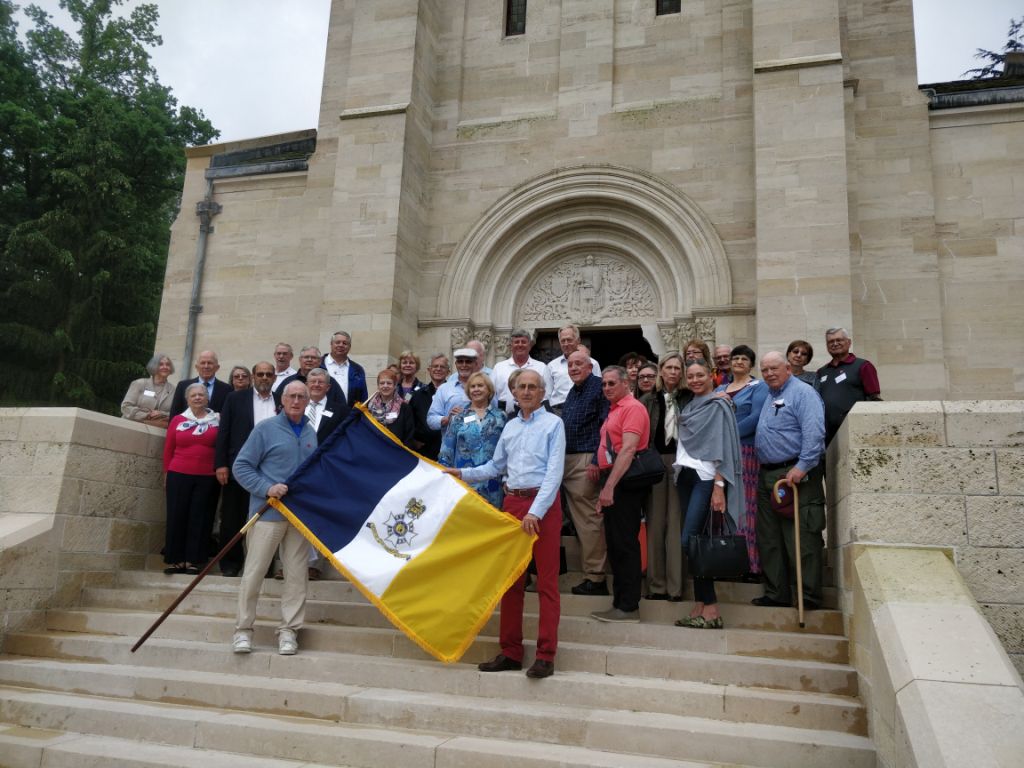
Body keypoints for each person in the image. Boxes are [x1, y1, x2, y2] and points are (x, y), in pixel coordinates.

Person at [446, 370, 565, 678]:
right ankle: (510, 651)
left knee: (547, 584)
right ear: (513, 392)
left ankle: (545, 655)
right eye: (521, 387)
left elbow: (554, 473)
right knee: (511, 582)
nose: (526, 392)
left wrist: (535, 512)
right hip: (512, 503)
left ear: (541, 392)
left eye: (532, 387)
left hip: (544, 506)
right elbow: (495, 466)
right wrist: (462, 473)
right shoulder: (510, 427)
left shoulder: (554, 424)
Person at [231, 381, 318, 656]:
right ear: (282, 400)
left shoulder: (310, 432)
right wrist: (266, 488)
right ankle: (243, 630)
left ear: (307, 401)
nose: (296, 401)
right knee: (255, 572)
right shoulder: (265, 429)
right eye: (291, 396)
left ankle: (289, 631)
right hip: (267, 512)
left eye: (301, 397)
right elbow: (241, 466)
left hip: (298, 515)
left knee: (296, 575)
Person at [673, 357, 744, 629]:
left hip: (706, 479)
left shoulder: (719, 404)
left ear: (710, 376)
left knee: (689, 541)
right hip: (686, 477)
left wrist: (719, 486)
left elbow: (724, 447)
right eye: (690, 376)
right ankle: (702, 606)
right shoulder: (689, 405)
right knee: (696, 542)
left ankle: (711, 607)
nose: (694, 380)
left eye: (700, 375)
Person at [754, 352, 826, 610]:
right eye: (764, 370)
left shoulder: (802, 393)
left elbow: (815, 431)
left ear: (787, 367)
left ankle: (808, 596)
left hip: (795, 473)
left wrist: (802, 466)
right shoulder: (770, 395)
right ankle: (776, 593)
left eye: (774, 368)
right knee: (769, 537)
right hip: (768, 474)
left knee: (801, 538)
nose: (769, 373)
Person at [591, 365, 651, 624]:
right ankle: (620, 603)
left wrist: (609, 487)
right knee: (615, 543)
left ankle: (628, 606)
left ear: (626, 383)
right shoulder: (615, 409)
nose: (606, 388)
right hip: (613, 479)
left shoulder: (633, 408)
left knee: (625, 543)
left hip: (624, 481)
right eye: (603, 384)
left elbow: (627, 450)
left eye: (611, 383)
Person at [214, 361, 278, 577]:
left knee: (265, 522)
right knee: (232, 518)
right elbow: (224, 433)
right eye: (260, 374)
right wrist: (221, 464)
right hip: (239, 469)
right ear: (253, 376)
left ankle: (264, 567)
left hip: (269, 473)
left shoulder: (281, 401)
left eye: (269, 374)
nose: (264, 377)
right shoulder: (235, 398)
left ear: (274, 377)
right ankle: (231, 563)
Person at [639, 352, 693, 602]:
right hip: (655, 463)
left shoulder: (691, 398)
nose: (673, 372)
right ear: (660, 370)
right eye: (668, 367)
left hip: (683, 461)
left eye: (677, 368)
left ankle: (675, 587)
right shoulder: (648, 399)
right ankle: (656, 585)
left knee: (676, 523)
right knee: (655, 523)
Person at [714, 345, 768, 579]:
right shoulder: (720, 388)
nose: (738, 361)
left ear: (751, 363)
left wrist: (729, 435)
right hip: (720, 454)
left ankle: (752, 565)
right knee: (723, 507)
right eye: (735, 357)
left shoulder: (758, 386)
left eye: (743, 358)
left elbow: (756, 417)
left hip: (745, 451)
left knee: (746, 507)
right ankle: (728, 562)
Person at [560, 348, 610, 596]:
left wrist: (595, 460)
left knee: (589, 519)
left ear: (590, 367)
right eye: (570, 365)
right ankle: (590, 572)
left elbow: (606, 426)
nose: (574, 369)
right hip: (567, 461)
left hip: (585, 461)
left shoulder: (599, 387)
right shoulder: (573, 391)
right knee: (578, 520)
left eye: (579, 364)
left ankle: (596, 577)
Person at [163, 383, 220, 575]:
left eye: (201, 395)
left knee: (201, 518)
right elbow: (168, 449)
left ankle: (194, 560)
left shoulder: (217, 420)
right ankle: (175, 559)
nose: (197, 398)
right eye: (193, 395)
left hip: (207, 477)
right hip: (178, 474)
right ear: (187, 399)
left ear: (207, 398)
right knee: (177, 516)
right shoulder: (178, 420)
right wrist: (166, 474)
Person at [439, 372, 506, 507]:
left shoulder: (501, 417)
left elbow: (508, 451)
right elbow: (446, 452)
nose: (476, 389)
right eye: (473, 386)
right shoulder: (458, 417)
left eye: (480, 386)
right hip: (464, 484)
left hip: (492, 484)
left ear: (489, 390)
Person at [815, 327, 882, 445]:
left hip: (854, 433)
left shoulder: (864, 366)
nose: (835, 344)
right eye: (830, 342)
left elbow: (874, 400)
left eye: (839, 340)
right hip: (827, 435)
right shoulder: (821, 371)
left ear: (849, 342)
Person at [492, 328, 554, 415]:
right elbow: (491, 395)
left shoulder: (541, 367)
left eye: (523, 342)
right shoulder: (499, 368)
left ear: (530, 345)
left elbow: (547, 395)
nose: (520, 345)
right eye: (516, 342)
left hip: (534, 415)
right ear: (510, 346)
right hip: (503, 414)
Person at [428, 347, 484, 431]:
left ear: (475, 364)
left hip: (479, 441)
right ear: (456, 364)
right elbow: (431, 419)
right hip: (451, 443)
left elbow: (493, 416)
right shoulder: (444, 388)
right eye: (460, 361)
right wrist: (447, 419)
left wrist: (466, 418)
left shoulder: (485, 387)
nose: (464, 365)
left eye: (468, 361)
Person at [546, 324, 600, 410]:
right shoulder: (551, 365)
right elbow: (546, 394)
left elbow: (598, 389)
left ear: (578, 340)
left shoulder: (593, 363)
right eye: (563, 341)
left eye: (569, 340)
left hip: (585, 409)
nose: (566, 344)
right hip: (558, 411)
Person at [409, 353, 450, 460]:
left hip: (449, 450)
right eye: (435, 366)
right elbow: (410, 420)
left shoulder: (456, 394)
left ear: (448, 372)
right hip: (423, 452)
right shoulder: (417, 395)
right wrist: (413, 441)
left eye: (442, 367)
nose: (438, 369)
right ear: (429, 370)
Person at [121, 353, 175, 428]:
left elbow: (176, 414)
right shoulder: (139, 384)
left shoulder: (173, 390)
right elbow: (125, 407)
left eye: (168, 364)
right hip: (131, 426)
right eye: (161, 364)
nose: (165, 367)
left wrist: (161, 414)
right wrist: (147, 415)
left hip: (157, 432)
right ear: (154, 366)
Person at [169, 349, 231, 415]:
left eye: (210, 363)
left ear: (217, 367)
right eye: (203, 363)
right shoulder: (183, 386)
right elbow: (174, 414)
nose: (206, 366)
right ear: (196, 367)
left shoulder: (227, 389)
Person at [277, 346, 344, 406]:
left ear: (320, 361)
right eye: (306, 357)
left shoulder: (329, 382)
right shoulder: (289, 381)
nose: (309, 360)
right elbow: (277, 404)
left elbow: (341, 407)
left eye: (313, 358)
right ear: (300, 360)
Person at [367, 368, 415, 445]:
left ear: (395, 385)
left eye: (389, 383)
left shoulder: (404, 408)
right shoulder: (368, 406)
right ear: (378, 386)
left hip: (395, 451)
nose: (385, 386)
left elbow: (408, 436)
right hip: (373, 448)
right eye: (382, 383)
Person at [321, 330, 368, 407]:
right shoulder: (319, 364)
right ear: (331, 344)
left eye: (345, 343)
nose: (341, 345)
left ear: (349, 347)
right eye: (337, 342)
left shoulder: (357, 369)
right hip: (321, 414)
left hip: (348, 416)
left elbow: (363, 397)